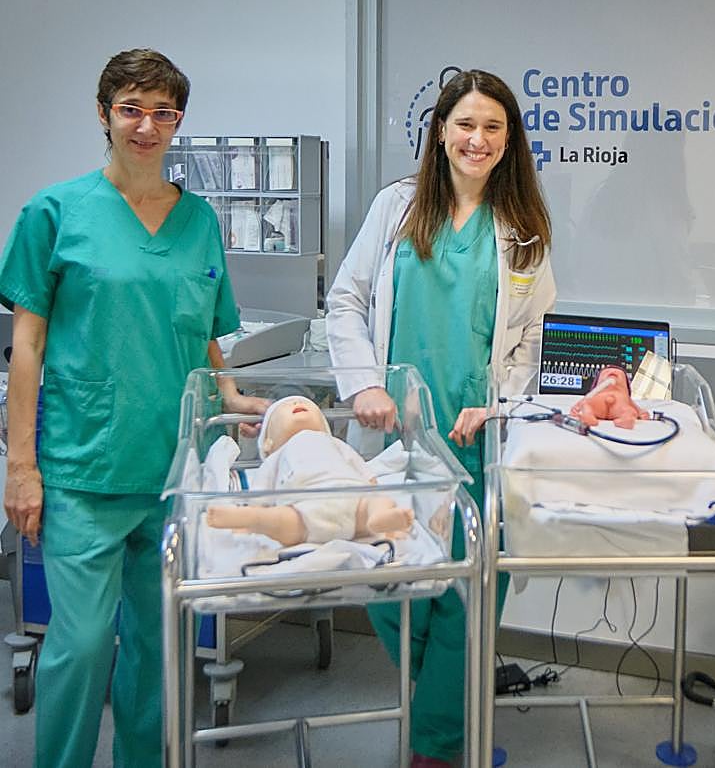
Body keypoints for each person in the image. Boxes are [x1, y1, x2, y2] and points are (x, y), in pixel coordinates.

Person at [0, 48, 268, 768]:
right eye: (131, 109)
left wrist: (232, 392)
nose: (146, 126)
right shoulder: (55, 213)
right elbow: (26, 346)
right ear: (104, 113)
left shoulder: (200, 221)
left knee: (158, 650)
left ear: (178, 122)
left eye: (163, 113)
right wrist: (19, 466)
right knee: (82, 646)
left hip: (174, 471)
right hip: (85, 467)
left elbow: (206, 334)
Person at [326, 68, 555, 767]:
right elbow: (347, 302)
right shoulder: (396, 206)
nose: (477, 139)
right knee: (388, 582)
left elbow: (530, 340)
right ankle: (444, 697)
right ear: (440, 130)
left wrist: (502, 401)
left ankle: (437, 743)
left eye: (492, 127)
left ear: (508, 138)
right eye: (465, 124)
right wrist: (363, 383)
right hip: (396, 432)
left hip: (478, 438)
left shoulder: (521, 227)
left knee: (471, 588)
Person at [205, 395, 414, 545]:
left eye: (308, 405)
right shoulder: (277, 456)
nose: (297, 402)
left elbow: (363, 469)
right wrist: (255, 506)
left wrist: (372, 490)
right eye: (285, 408)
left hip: (351, 497)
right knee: (282, 521)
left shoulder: (333, 443)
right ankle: (252, 520)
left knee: (376, 501)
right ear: (268, 443)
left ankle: (380, 517)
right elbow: (262, 489)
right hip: (303, 507)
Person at [569, 365, 648, 428]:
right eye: (607, 372)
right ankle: (588, 416)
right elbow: (586, 399)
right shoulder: (596, 393)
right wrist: (578, 407)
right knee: (587, 405)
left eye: (619, 374)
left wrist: (640, 412)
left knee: (629, 410)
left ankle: (626, 419)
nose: (612, 372)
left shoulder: (624, 397)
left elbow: (633, 405)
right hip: (599, 406)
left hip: (618, 408)